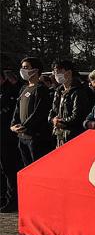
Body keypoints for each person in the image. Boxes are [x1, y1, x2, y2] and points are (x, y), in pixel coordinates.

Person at [11, 57, 54, 166]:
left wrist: (25, 126)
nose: (23, 70)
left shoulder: (41, 89)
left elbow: (39, 112)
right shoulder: (24, 88)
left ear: (35, 70)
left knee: (38, 167)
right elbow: (17, 109)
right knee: (27, 168)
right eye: (22, 67)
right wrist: (13, 125)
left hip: (35, 138)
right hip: (22, 137)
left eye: (26, 67)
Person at [49, 59, 94, 147]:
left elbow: (78, 116)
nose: (56, 74)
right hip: (59, 135)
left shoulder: (79, 91)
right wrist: (52, 119)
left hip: (73, 135)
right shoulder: (59, 91)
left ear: (69, 72)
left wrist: (61, 121)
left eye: (59, 71)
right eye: (55, 72)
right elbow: (53, 110)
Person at [0, 70, 22, 213]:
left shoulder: (12, 91)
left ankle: (12, 200)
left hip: (8, 137)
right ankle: (3, 197)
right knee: (2, 169)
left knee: (9, 169)